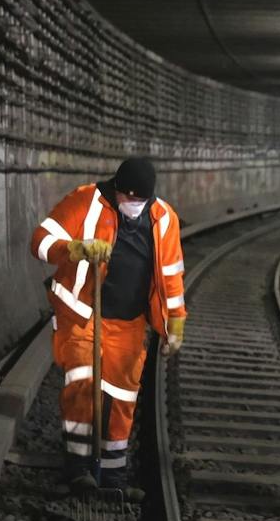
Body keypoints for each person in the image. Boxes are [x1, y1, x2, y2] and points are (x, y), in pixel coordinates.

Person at [29, 157, 186, 495]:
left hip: (129, 323)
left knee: (121, 397)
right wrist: (72, 248)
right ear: (116, 190)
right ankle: (78, 469)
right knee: (83, 383)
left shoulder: (163, 219)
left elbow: (171, 275)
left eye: (140, 200)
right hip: (82, 313)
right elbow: (39, 241)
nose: (133, 206)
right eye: (128, 198)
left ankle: (112, 477)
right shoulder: (85, 201)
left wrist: (175, 323)